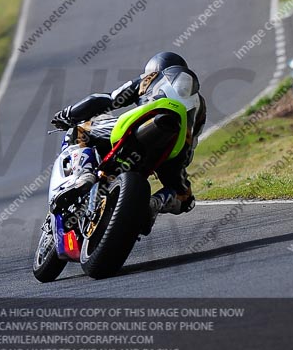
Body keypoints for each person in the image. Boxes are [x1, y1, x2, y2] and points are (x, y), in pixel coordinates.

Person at [50, 52, 206, 228]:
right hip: (175, 149)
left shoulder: (152, 77)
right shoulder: (200, 106)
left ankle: (83, 174)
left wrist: (69, 113)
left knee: (79, 129)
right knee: (185, 197)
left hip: (142, 122)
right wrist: (177, 166)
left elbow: (110, 99)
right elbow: (192, 143)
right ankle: (155, 203)